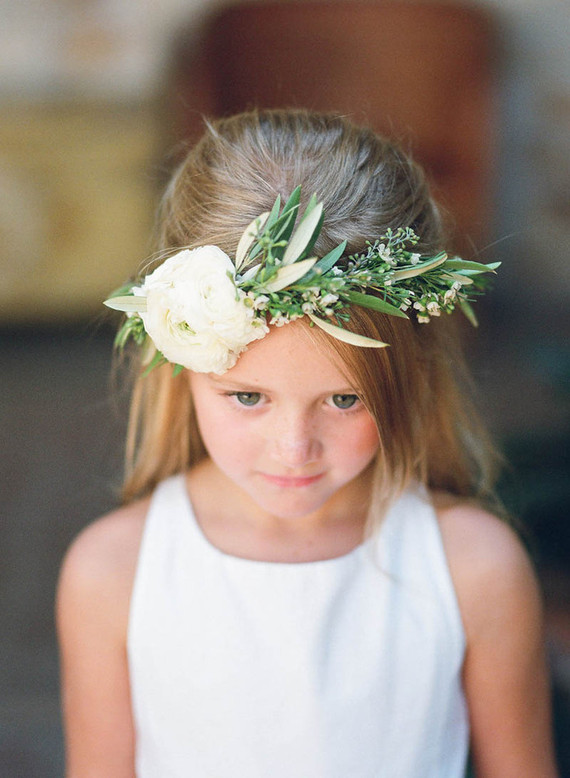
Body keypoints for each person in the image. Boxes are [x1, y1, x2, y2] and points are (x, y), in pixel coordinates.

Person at [56, 109, 558, 778]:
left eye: (345, 399)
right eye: (248, 397)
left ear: (409, 374)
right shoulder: (113, 574)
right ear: (179, 355)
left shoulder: (475, 571)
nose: (295, 448)